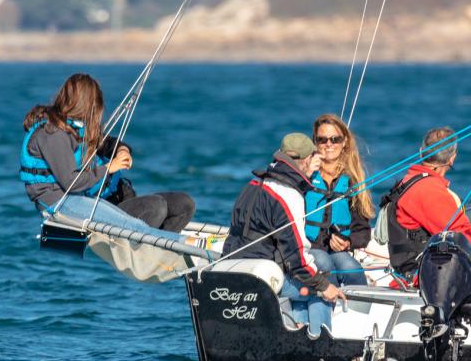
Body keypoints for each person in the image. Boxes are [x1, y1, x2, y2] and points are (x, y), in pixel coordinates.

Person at [20, 73, 194, 235]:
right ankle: (165, 251)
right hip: (60, 205)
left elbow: (107, 143)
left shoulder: (76, 128)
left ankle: (164, 249)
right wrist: (110, 167)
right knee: (156, 209)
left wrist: (122, 151)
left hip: (86, 200)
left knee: (183, 204)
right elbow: (72, 183)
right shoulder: (53, 135)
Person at [222, 132, 346, 337]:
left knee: (311, 278)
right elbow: (297, 259)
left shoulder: (253, 185)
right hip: (261, 279)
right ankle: (318, 346)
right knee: (320, 291)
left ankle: (299, 328)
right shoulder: (288, 195)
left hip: (234, 268)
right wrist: (325, 287)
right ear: (307, 160)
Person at [383, 126, 471, 280]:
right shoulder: (429, 190)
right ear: (452, 158)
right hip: (426, 277)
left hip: (414, 270)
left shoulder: (409, 180)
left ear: (421, 152)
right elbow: (462, 237)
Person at [305, 114, 374, 286]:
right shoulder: (304, 176)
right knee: (324, 264)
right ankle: (330, 303)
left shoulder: (351, 181)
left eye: (335, 139)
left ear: (344, 143)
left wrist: (347, 242)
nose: (329, 144)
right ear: (315, 142)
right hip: (309, 248)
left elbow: (363, 232)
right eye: (322, 140)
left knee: (352, 269)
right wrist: (304, 174)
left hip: (337, 250)